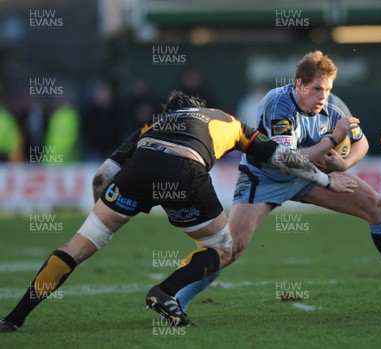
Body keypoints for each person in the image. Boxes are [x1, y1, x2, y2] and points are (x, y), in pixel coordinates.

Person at [0, 91, 358, 332]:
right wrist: (327, 182)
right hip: (184, 172)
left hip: (136, 172)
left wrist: (106, 205)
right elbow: (284, 159)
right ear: (198, 106)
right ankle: (165, 292)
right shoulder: (228, 121)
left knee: (77, 246)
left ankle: (14, 319)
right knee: (223, 248)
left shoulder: (153, 124)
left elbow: (102, 174)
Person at [172, 50, 381, 314]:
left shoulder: (333, 106)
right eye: (316, 89)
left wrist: (344, 164)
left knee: (378, 207)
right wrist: (330, 141)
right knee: (231, 248)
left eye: (327, 89)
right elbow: (286, 163)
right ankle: (177, 300)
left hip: (311, 176)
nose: (323, 97)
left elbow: (360, 142)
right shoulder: (278, 103)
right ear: (298, 84)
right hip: (264, 178)